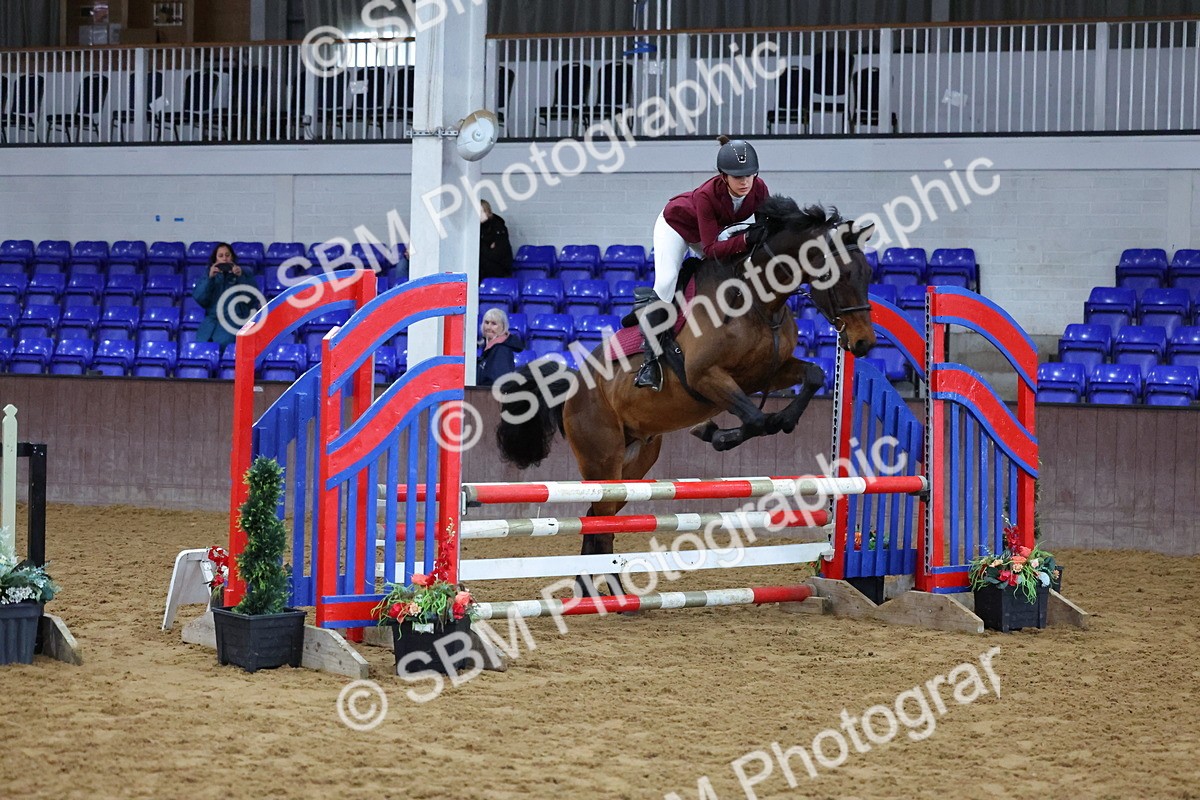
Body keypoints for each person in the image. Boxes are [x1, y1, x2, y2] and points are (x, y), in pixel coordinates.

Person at [631, 135, 772, 391]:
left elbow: (761, 233)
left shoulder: (760, 189)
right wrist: (746, 239)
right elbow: (709, 249)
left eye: (749, 175)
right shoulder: (708, 195)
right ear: (723, 176)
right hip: (677, 226)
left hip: (715, 231)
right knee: (665, 281)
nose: (744, 182)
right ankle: (649, 363)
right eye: (737, 176)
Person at [193, 242, 258, 346]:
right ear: (215, 259)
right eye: (220, 256)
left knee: (223, 343)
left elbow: (252, 297)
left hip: (233, 321)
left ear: (232, 257)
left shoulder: (245, 273)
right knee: (200, 346)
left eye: (227, 255)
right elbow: (200, 298)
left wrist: (240, 277)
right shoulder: (209, 275)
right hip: (211, 322)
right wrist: (209, 279)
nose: (224, 259)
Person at [476, 307, 523, 386]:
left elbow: (499, 384)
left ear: (503, 327)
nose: (488, 327)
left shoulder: (501, 350)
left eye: (494, 324)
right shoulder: (488, 347)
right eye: (486, 322)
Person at [479, 200, 514, 280]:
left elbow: (498, 253)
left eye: (481, 212)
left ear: (487, 212)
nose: (478, 215)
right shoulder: (475, 229)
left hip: (499, 269)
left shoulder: (498, 227)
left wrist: (482, 246)